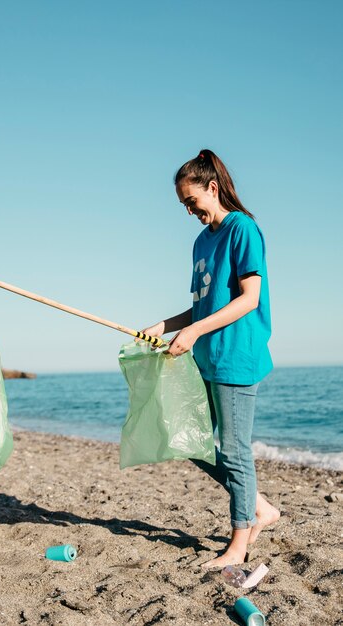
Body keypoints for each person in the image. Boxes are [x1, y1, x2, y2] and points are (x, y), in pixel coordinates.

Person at [142, 149, 280, 569]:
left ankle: (238, 544)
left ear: (212, 188)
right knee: (191, 441)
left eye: (192, 201)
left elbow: (248, 299)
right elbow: (200, 306)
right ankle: (260, 506)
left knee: (235, 452)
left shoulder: (243, 229)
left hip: (237, 356)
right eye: (183, 205)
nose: (189, 211)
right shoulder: (201, 242)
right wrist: (163, 326)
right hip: (205, 358)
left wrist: (195, 331)